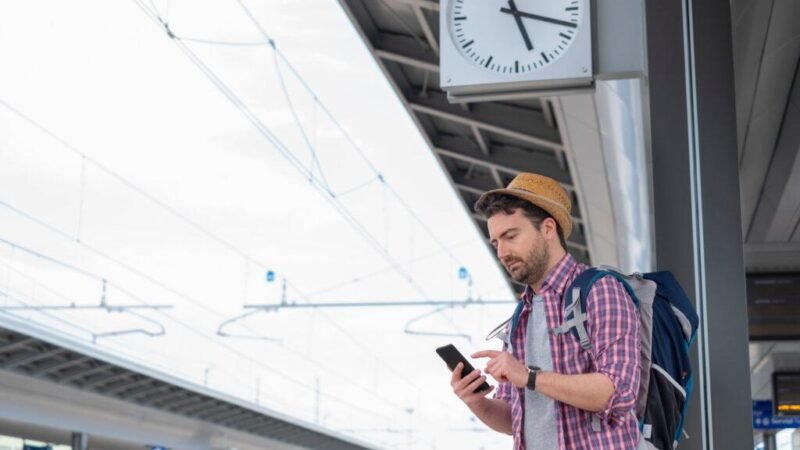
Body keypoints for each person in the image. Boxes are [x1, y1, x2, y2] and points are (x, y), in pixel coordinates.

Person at [449, 172, 640, 449]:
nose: (501, 252)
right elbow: (514, 420)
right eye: (496, 243)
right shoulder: (519, 320)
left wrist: (529, 376)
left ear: (548, 229)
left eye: (510, 236)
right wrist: (476, 401)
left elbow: (617, 392)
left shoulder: (600, 290)